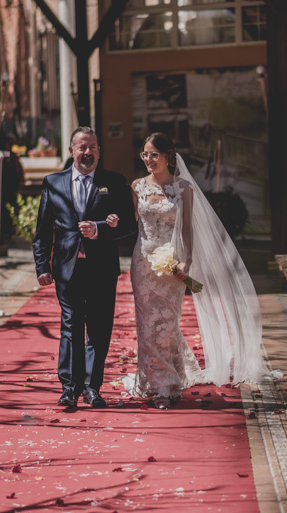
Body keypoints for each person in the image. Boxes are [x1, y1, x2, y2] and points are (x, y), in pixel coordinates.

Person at [111, 132, 271, 409]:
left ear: (167, 157)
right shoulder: (137, 186)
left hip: (172, 263)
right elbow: (133, 224)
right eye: (145, 154)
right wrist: (111, 222)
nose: (148, 159)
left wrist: (187, 262)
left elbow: (187, 228)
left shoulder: (183, 188)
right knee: (147, 326)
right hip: (143, 264)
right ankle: (162, 385)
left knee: (167, 324)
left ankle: (171, 377)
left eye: (154, 154)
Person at [33, 126, 136, 410]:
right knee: (71, 327)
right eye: (82, 147)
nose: (87, 152)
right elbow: (42, 230)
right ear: (71, 151)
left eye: (92, 147)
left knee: (99, 329)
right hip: (67, 268)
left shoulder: (114, 182)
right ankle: (69, 388)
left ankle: (92, 388)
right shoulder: (53, 182)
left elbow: (129, 225)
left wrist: (100, 229)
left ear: (99, 151)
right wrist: (42, 265)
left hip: (102, 268)